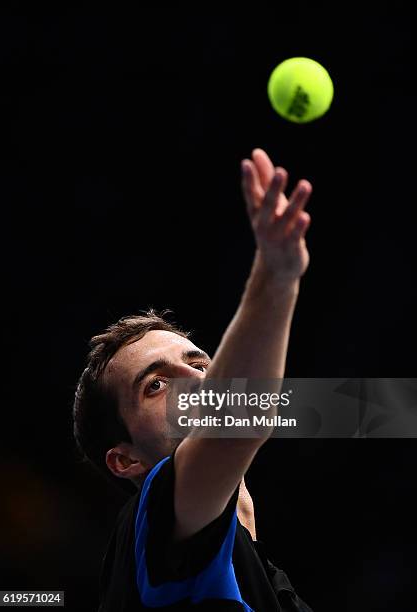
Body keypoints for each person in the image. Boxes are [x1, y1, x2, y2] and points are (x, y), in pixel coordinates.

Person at [73, 148, 314, 610]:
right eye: (155, 385)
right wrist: (277, 276)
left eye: (200, 365)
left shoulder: (260, 575)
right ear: (125, 461)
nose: (194, 382)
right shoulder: (152, 526)